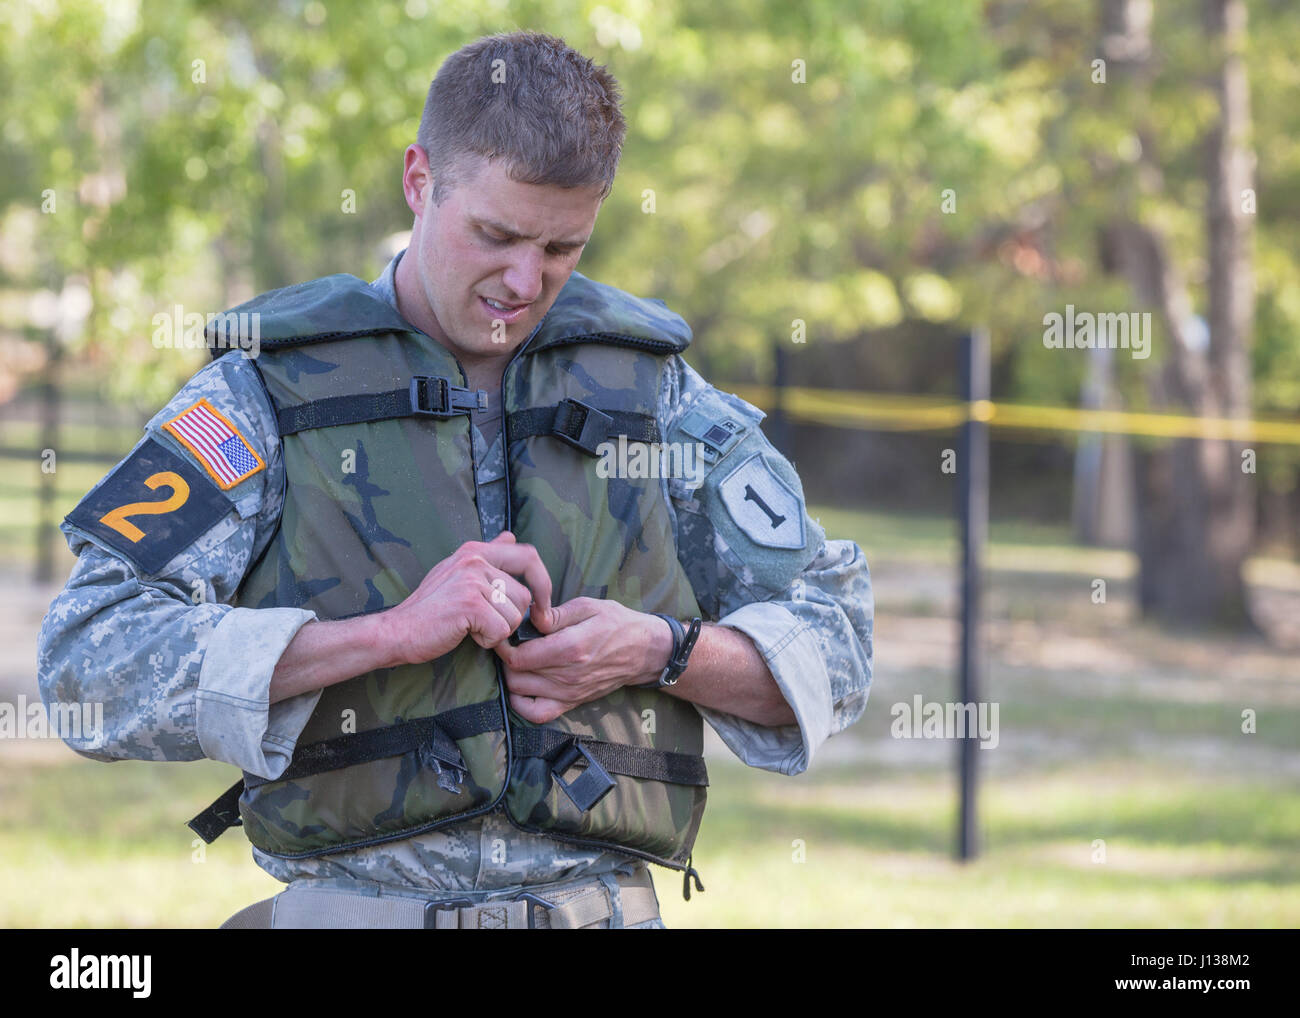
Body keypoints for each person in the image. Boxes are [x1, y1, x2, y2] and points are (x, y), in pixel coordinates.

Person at [37, 31, 873, 929]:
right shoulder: (265, 392)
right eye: (497, 234)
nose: (524, 280)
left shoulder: (654, 393)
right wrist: (385, 636)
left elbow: (839, 642)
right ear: (418, 181)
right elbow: (88, 666)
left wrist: (660, 651)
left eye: (563, 248)